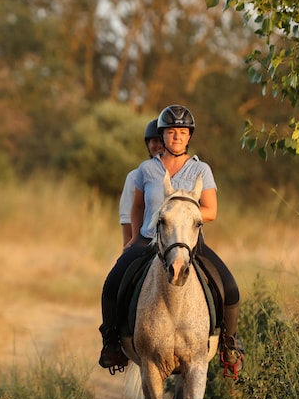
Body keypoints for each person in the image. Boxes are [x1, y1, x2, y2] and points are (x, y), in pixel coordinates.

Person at [98, 104, 244, 375]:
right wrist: (133, 238)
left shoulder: (202, 170)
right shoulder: (146, 170)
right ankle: (112, 344)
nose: (176, 136)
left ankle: (229, 346)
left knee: (230, 287)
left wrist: (181, 213)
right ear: (161, 135)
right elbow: (138, 207)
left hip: (189, 241)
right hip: (150, 239)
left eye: (182, 132)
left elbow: (211, 210)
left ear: (189, 136)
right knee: (113, 282)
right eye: (170, 132)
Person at [119, 119, 164, 248]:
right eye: (154, 141)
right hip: (145, 243)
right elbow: (127, 219)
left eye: (162, 141)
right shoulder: (134, 176)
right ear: (148, 144)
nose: (159, 145)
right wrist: (129, 247)